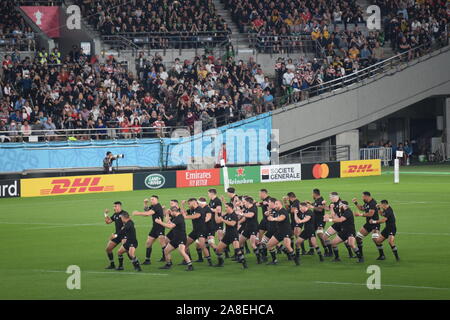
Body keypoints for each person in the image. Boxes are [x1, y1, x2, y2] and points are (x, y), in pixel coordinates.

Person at [156, 207, 194, 271]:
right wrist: (167, 214)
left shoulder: (179, 218)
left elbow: (170, 226)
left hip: (181, 238)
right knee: (166, 250)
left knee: (181, 251)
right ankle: (168, 264)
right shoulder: (176, 217)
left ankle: (190, 265)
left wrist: (160, 223)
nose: (171, 213)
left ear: (174, 211)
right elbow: (168, 223)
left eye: (171, 212)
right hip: (176, 238)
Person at [213, 203, 248, 268]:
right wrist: (215, 213)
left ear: (230, 207)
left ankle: (244, 263)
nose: (225, 208)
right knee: (218, 249)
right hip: (227, 235)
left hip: (233, 234)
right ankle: (220, 263)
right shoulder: (226, 214)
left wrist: (223, 220)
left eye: (226, 207)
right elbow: (217, 221)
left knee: (237, 249)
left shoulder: (234, 215)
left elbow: (232, 224)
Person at [132, 196, 165, 264]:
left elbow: (148, 213)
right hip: (154, 227)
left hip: (160, 227)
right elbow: (146, 210)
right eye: (151, 199)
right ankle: (147, 260)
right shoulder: (153, 206)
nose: (151, 200)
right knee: (148, 243)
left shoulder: (157, 206)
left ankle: (166, 259)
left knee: (162, 243)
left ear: (157, 200)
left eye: (153, 199)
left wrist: (137, 213)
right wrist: (145, 203)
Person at [266, 199, 299, 266]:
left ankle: (296, 261)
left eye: (277, 204)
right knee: (269, 245)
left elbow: (281, 218)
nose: (275, 205)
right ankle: (274, 260)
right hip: (279, 232)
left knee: (288, 246)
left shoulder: (283, 211)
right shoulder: (277, 211)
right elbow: (270, 217)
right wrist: (268, 215)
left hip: (286, 232)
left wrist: (274, 219)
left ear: (281, 204)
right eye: (275, 204)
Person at [182, 198, 210, 265]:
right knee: (185, 244)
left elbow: (196, 216)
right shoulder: (192, 209)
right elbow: (184, 213)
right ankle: (187, 259)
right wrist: (182, 205)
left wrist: (186, 217)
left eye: (189, 203)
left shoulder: (199, 209)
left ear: (194, 202)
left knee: (202, 246)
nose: (188, 205)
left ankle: (209, 261)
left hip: (201, 231)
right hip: (195, 231)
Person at [352, 191, 379, 260]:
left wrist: (360, 215)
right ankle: (360, 254)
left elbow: (371, 214)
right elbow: (362, 208)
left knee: (376, 240)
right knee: (358, 237)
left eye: (363, 196)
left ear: (367, 196)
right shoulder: (367, 202)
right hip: (368, 224)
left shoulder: (373, 203)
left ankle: (382, 255)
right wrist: (356, 203)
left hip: (374, 223)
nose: (362, 198)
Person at [103, 201, 126, 269]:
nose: (114, 208)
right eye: (113, 206)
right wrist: (105, 214)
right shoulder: (115, 214)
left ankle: (123, 265)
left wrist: (117, 234)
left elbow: (126, 225)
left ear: (119, 206)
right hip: (117, 234)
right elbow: (108, 222)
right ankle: (112, 264)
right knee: (108, 249)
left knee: (126, 250)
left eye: (115, 206)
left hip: (125, 235)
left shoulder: (124, 213)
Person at [238, 197, 261, 263]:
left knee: (252, 244)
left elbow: (251, 215)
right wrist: (239, 220)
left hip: (253, 228)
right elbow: (245, 218)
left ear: (248, 202)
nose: (244, 203)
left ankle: (259, 258)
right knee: (239, 243)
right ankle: (241, 258)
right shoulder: (247, 208)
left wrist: (241, 214)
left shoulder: (253, 208)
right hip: (247, 228)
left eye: (244, 202)